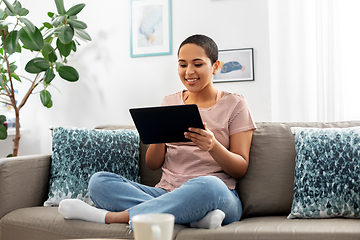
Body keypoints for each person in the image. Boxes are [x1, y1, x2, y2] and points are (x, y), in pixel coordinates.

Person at [58, 34, 256, 229]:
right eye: (182, 64)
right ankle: (191, 217)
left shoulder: (235, 104)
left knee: (209, 185)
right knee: (99, 182)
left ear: (215, 66)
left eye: (197, 64)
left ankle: (112, 218)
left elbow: (240, 168)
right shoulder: (170, 102)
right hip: (165, 193)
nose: (189, 72)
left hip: (218, 196)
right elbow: (153, 164)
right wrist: (159, 134)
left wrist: (213, 147)